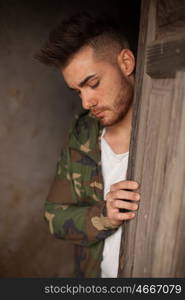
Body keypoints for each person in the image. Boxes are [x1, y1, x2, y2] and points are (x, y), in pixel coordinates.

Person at [35, 12, 140, 278]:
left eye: (93, 84)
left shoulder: (172, 127)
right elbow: (53, 217)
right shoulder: (82, 133)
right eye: (78, 91)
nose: (86, 102)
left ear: (126, 62)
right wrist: (104, 216)